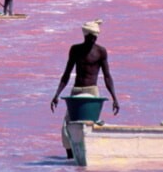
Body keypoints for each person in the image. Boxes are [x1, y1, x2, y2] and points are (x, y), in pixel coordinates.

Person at [50, 19, 120, 159]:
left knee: (91, 126)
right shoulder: (75, 50)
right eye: (91, 37)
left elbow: (107, 76)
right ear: (85, 35)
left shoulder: (101, 51)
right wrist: (56, 94)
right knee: (67, 126)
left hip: (92, 91)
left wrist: (114, 98)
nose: (93, 39)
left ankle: (92, 156)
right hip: (76, 91)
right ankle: (70, 159)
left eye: (95, 37)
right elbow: (67, 73)